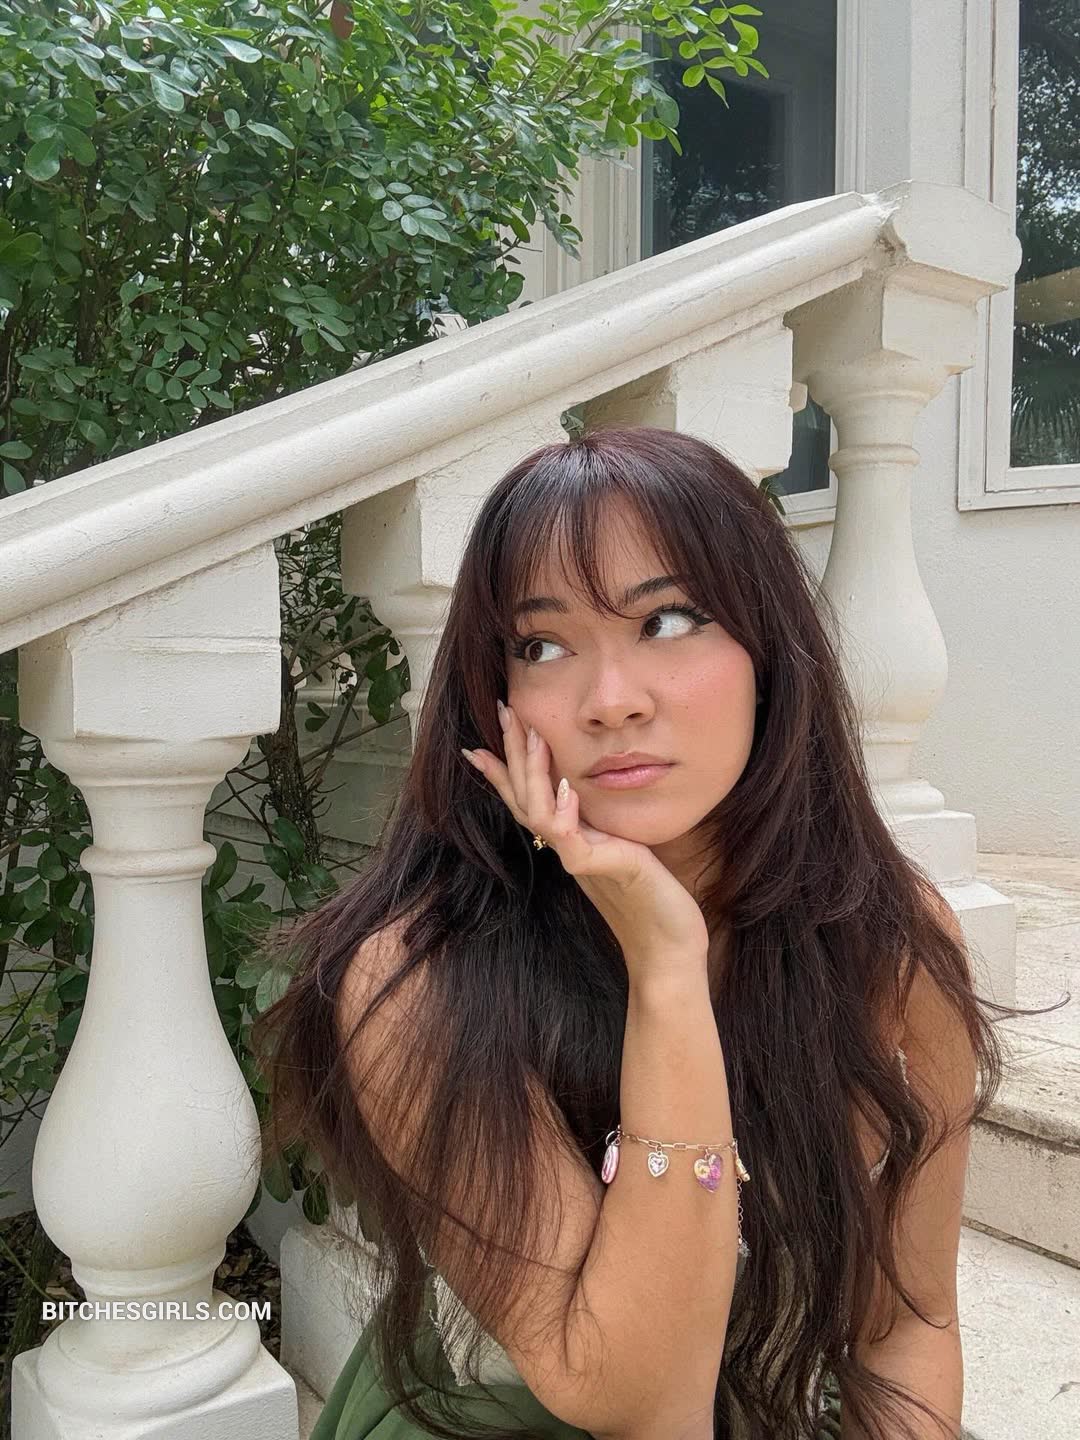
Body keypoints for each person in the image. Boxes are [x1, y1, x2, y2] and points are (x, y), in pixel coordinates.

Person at [253, 426, 1011, 1440]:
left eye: (668, 620)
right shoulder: (420, 981)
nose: (612, 702)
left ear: (768, 653)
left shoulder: (891, 943)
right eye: (542, 646)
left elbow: (908, 1328)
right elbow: (642, 1400)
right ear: (496, 699)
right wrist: (665, 966)